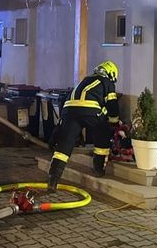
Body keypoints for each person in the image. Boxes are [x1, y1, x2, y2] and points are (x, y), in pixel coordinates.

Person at [46, 61, 121, 193]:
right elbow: (112, 104)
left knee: (63, 148)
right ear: (110, 73)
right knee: (102, 137)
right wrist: (114, 123)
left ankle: (53, 180)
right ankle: (98, 169)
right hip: (90, 111)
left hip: (69, 111)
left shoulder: (85, 80)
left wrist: (59, 130)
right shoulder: (106, 82)